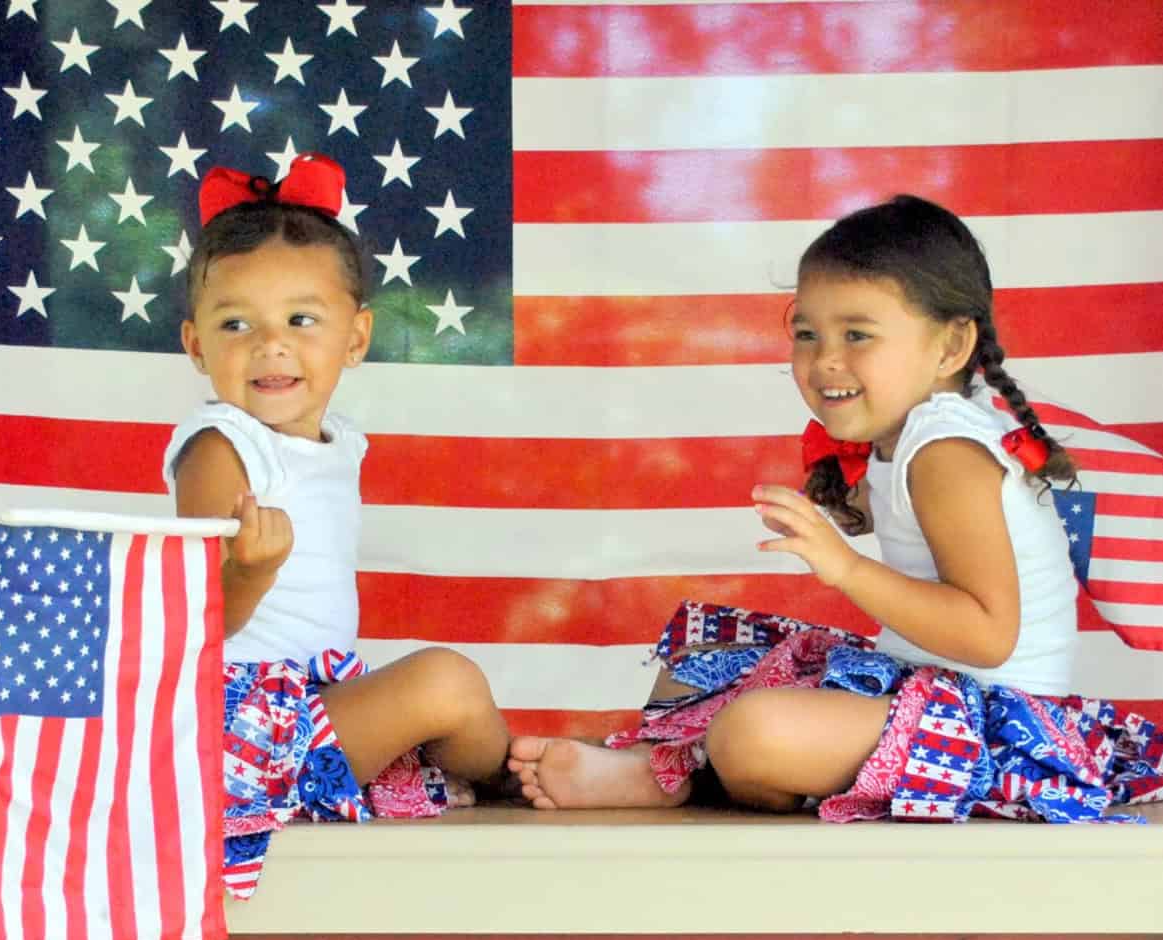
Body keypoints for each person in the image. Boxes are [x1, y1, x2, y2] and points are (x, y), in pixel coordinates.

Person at [509, 195, 1158, 822]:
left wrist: (844, 568)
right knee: (698, 661)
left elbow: (988, 637)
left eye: (857, 333)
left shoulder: (946, 453)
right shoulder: (910, 435)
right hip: (918, 688)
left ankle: (673, 774)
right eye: (806, 333)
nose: (825, 360)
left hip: (996, 724)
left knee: (756, 731)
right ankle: (690, 769)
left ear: (949, 348)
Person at [165, 154, 510, 892]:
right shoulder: (221, 448)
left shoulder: (335, 440)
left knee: (440, 692)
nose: (270, 343)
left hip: (310, 701)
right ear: (197, 345)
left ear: (354, 339)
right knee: (443, 681)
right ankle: (518, 780)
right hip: (237, 728)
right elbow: (190, 615)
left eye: (300, 319)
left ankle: (525, 775)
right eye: (236, 323)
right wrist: (250, 571)